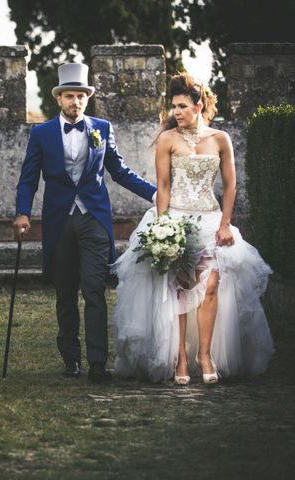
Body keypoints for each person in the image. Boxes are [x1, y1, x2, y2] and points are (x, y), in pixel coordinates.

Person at [111, 72, 274, 384]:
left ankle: (205, 354)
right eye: (174, 106)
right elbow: (162, 185)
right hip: (177, 220)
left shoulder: (220, 139)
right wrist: (163, 226)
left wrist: (226, 224)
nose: (177, 112)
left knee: (212, 285)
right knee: (181, 290)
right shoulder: (167, 140)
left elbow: (230, 187)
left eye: (183, 106)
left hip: (212, 221)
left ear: (199, 106)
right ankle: (181, 359)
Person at [13, 63, 157, 383]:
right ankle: (71, 359)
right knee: (65, 293)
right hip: (58, 221)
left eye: (80, 96)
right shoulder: (41, 134)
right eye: (69, 96)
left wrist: (156, 194)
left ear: (87, 98)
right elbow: (28, 180)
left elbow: (120, 172)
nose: (75, 101)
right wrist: (23, 212)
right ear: (59, 99)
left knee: (94, 289)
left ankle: (97, 363)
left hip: (93, 219)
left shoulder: (101, 129)